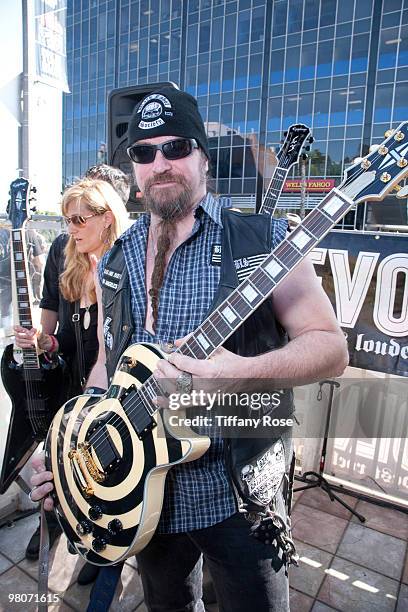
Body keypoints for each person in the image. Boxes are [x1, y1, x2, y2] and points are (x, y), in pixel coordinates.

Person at [30, 87, 348, 612]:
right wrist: (74, 443)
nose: (161, 163)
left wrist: (242, 374)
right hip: (144, 497)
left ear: (202, 155)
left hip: (235, 498)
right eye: (144, 152)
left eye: (176, 147)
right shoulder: (117, 256)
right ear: (133, 168)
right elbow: (110, 362)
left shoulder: (260, 239)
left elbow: (331, 348)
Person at [14, 173, 130, 585]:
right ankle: (60, 525)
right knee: (67, 469)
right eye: (67, 220)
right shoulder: (68, 257)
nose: (71, 229)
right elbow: (57, 335)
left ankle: (103, 555)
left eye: (81, 219)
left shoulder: (126, 266)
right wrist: (42, 341)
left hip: (110, 396)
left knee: (105, 477)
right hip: (69, 390)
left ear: (107, 219)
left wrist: (98, 392)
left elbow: (121, 345)